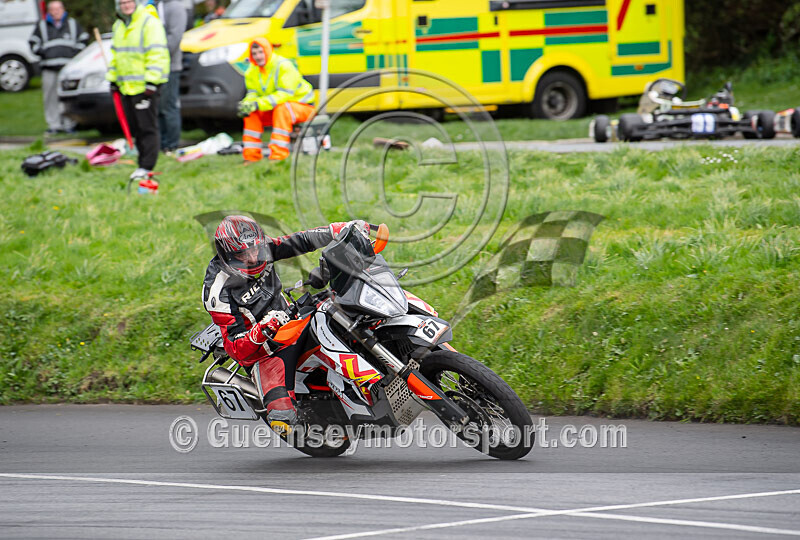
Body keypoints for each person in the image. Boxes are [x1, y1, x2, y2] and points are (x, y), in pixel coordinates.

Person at [202, 215, 369, 434]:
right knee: (283, 419)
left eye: (256, 250)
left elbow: (298, 241)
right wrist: (260, 330)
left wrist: (337, 230)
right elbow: (235, 348)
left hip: (291, 319)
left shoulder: (261, 248)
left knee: (348, 316)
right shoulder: (218, 291)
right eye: (244, 255)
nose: (253, 258)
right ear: (227, 255)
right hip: (264, 353)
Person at [107, 0, 170, 181]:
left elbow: (157, 53)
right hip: (127, 87)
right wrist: (113, 79)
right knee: (135, 127)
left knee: (147, 127)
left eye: (129, 2)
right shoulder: (119, 25)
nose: (126, 5)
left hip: (146, 87)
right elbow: (116, 55)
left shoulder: (149, 22)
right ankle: (141, 163)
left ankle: (147, 166)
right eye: (122, 2)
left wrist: (152, 82)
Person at [238, 38, 315, 163]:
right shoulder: (252, 71)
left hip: (303, 108)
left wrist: (258, 104)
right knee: (251, 113)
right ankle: (251, 157)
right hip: (275, 108)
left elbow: (285, 94)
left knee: (282, 109)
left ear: (268, 51)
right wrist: (247, 104)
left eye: (261, 52)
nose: (258, 56)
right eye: (254, 53)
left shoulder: (284, 65)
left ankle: (278, 156)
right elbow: (252, 93)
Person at [28, 1, 89, 135]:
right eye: (53, 9)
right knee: (50, 98)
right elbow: (33, 43)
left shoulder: (72, 24)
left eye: (58, 9)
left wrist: (74, 54)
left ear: (63, 9)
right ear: (49, 11)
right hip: (49, 67)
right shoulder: (42, 26)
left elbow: (84, 40)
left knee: (68, 98)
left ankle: (69, 124)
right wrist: (44, 52)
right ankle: (54, 125)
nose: (56, 12)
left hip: (68, 69)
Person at [157, 0, 187, 152]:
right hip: (154, 68)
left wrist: (156, 55)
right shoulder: (155, 6)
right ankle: (161, 144)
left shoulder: (175, 7)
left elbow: (174, 37)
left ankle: (171, 144)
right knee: (158, 108)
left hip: (170, 67)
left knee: (169, 106)